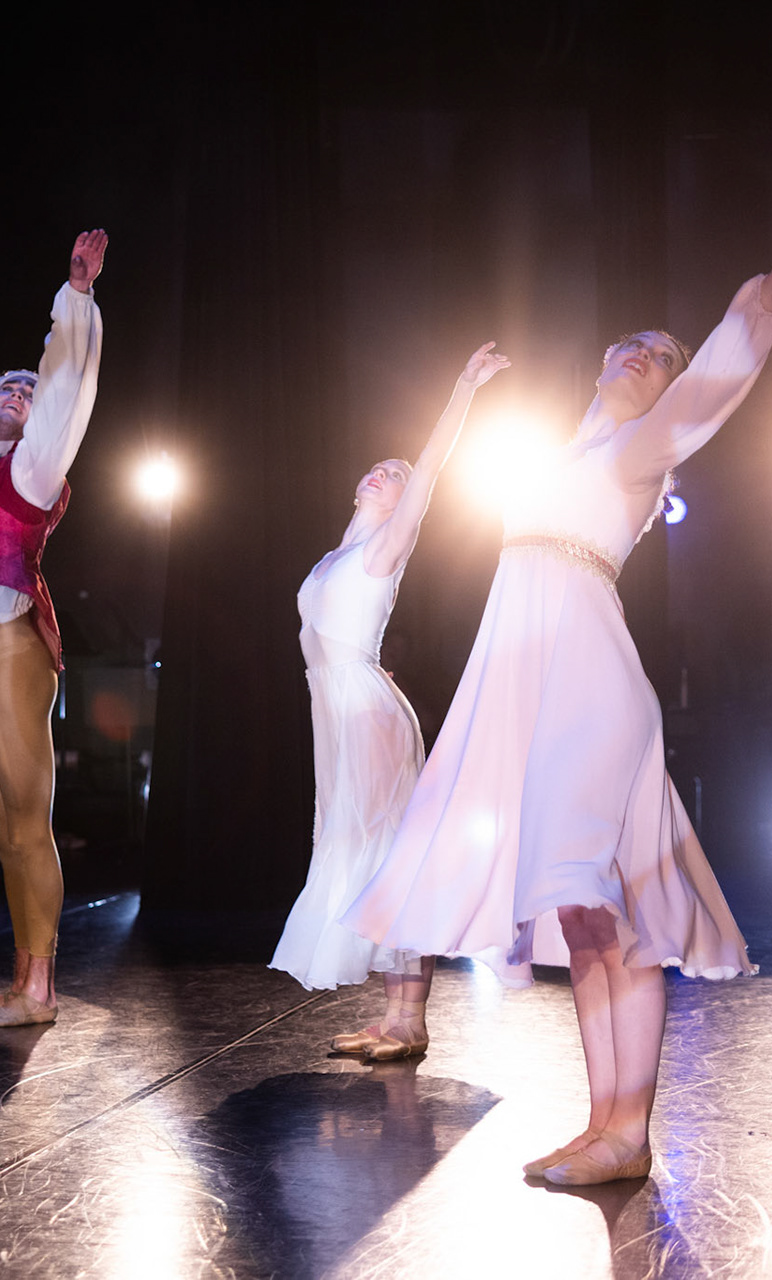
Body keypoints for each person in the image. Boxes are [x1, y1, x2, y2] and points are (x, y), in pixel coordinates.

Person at [343, 251, 772, 1183]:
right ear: (602, 362)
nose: (645, 356)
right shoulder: (555, 459)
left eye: (663, 357)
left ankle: (630, 1132)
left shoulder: (636, 453)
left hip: (595, 698)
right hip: (539, 698)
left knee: (611, 916)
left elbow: (714, 380)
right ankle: (605, 1125)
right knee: (582, 920)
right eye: (633, 346)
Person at [269, 344, 512, 1061]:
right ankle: (393, 1015)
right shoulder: (338, 555)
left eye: (397, 475)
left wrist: (463, 386)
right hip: (333, 709)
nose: (385, 472)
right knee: (359, 853)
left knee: (391, 857)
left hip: (366, 709)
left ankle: (411, 1020)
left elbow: (431, 466)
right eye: (378, 467)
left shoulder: (388, 547)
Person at [0, 229, 107, 1029]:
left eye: (28, 390)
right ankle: (19, 981)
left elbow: (67, 387)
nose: (19, 392)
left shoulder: (33, 468)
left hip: (13, 645)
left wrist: (76, 299)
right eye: (6, 387)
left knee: (28, 822)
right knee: (1, 828)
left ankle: (42, 990)